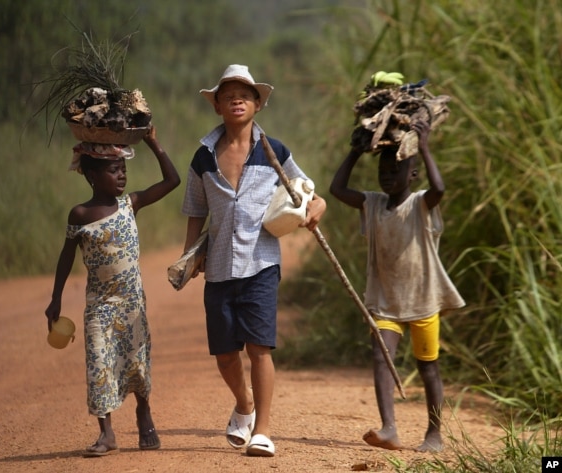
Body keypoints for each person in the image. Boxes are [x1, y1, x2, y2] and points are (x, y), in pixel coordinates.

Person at [181, 64, 327, 457]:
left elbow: (305, 189)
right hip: (219, 267)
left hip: (262, 262)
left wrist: (319, 204)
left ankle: (262, 429)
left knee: (259, 347)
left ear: (258, 104)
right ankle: (243, 404)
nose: (236, 100)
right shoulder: (203, 156)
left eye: (244, 94)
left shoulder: (273, 151)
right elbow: (195, 209)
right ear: (217, 106)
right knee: (226, 354)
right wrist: (189, 255)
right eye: (227, 95)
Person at [329, 120, 465, 453]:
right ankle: (389, 427)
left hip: (423, 300)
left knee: (427, 367)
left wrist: (425, 148)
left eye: (396, 169)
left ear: (413, 174)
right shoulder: (372, 203)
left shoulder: (420, 204)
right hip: (385, 300)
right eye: (383, 170)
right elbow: (336, 189)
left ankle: (434, 434)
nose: (388, 175)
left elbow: (440, 190)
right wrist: (355, 151)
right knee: (381, 357)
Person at [45, 126, 181, 457]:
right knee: (98, 364)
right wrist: (56, 298)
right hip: (99, 306)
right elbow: (66, 257)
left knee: (137, 361)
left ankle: (144, 411)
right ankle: (106, 433)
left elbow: (172, 181)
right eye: (112, 169)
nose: (121, 176)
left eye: (123, 169)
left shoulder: (130, 204)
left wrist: (153, 142)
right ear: (90, 174)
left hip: (132, 303)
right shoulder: (79, 215)